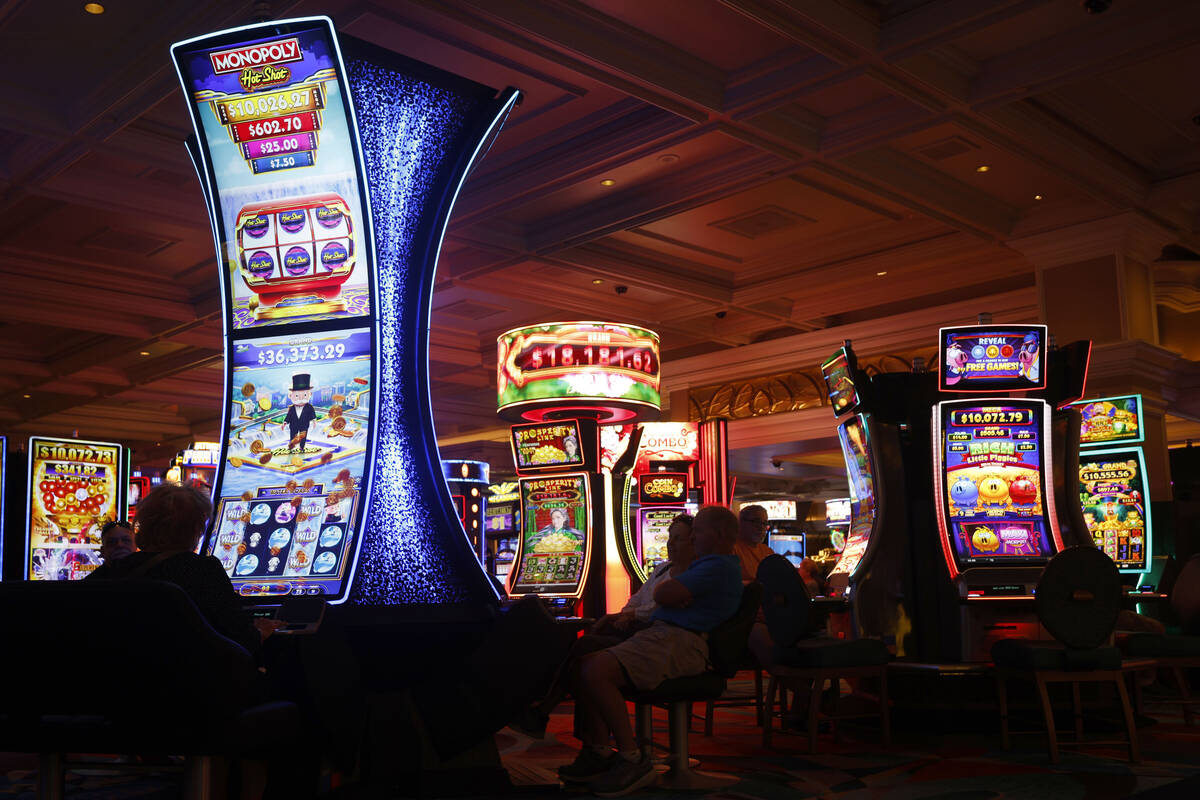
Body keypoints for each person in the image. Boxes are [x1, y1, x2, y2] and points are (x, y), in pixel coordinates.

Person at [558, 505, 742, 796]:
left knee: (593, 670)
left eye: (698, 531)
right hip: (666, 637)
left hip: (680, 642)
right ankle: (601, 750)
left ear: (719, 534)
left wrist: (671, 596)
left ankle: (631, 759)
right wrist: (671, 597)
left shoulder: (717, 565)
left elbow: (663, 593)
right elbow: (665, 595)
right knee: (585, 664)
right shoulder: (705, 565)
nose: (693, 538)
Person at [86, 483, 274, 658]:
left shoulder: (112, 573)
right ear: (196, 529)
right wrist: (261, 632)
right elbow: (241, 640)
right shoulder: (203, 570)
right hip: (196, 686)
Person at [734, 504, 775, 583]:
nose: (761, 527)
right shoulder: (732, 549)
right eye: (756, 522)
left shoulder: (767, 551)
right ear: (740, 523)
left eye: (765, 523)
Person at [281, 372, 316, 452]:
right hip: (294, 425)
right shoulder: (292, 408)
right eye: (297, 396)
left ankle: (302, 448)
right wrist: (285, 422)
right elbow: (288, 416)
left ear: (310, 394)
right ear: (290, 396)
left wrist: (314, 421)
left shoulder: (309, 407)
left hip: (304, 425)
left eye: (304, 395)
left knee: (303, 436)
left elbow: (312, 414)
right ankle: (291, 447)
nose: (300, 399)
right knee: (292, 436)